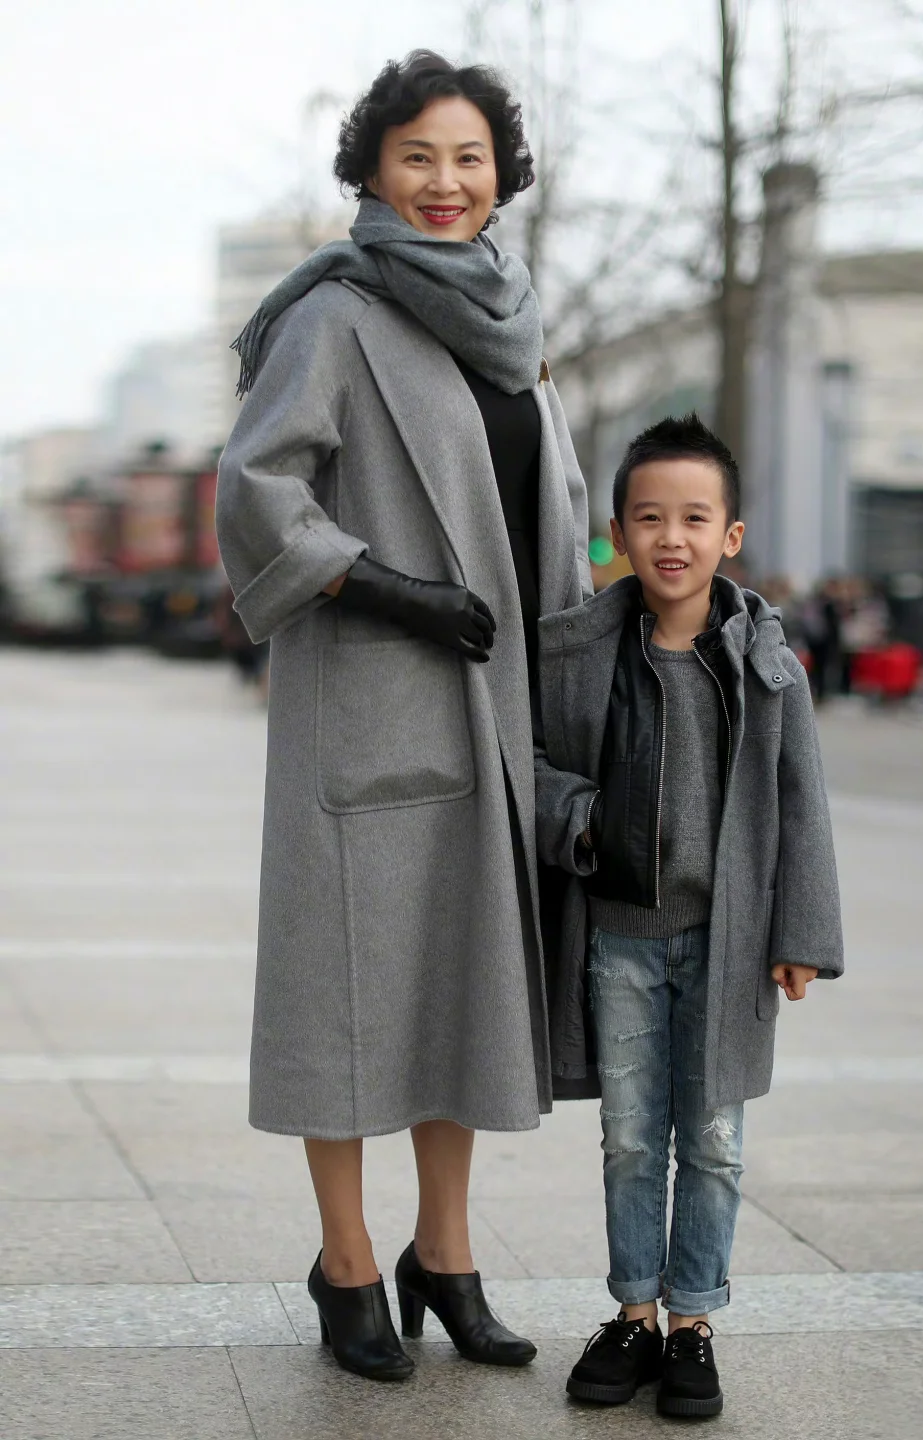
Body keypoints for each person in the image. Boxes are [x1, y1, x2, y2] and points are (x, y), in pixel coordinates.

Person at [215, 51, 591, 1385]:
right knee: (343, 1000)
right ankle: (347, 1266)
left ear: (503, 175)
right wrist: (387, 587)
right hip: (373, 704)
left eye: (469, 157)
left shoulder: (515, 324)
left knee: (460, 993)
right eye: (418, 155)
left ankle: (448, 1256)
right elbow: (258, 489)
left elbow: (556, 510)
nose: (445, 181)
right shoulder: (334, 313)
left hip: (498, 710)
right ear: (372, 170)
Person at [533, 414, 844, 1419]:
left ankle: (692, 1325)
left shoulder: (766, 666)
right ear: (618, 533)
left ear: (730, 535)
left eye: (695, 518)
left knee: (713, 1141)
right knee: (632, 1138)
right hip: (619, 938)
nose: (673, 537)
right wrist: (583, 820)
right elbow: (528, 767)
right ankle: (632, 1312)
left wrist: (802, 937)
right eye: (650, 517)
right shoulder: (580, 654)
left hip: (728, 944)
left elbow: (802, 806)